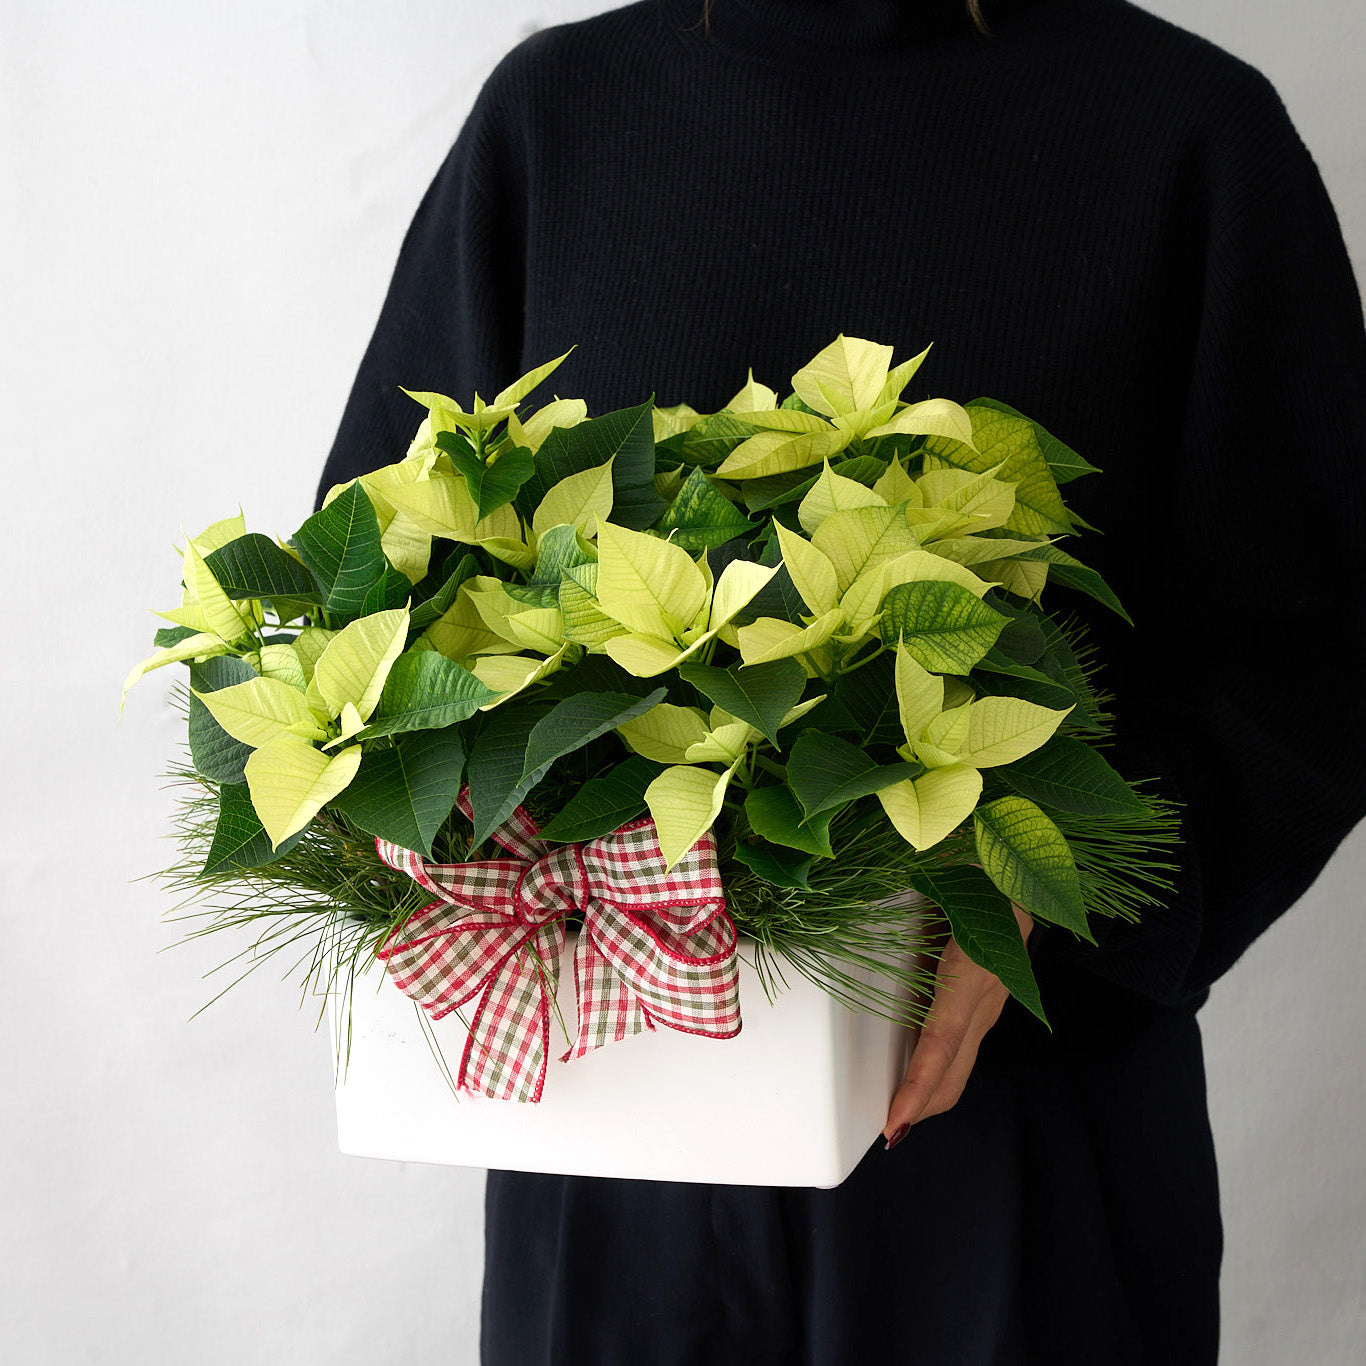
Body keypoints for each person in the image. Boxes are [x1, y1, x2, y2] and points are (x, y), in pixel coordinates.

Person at [313, 1, 1366, 1360]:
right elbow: (378, 597)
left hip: (1021, 1121)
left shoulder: (1186, 133)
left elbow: (1309, 656)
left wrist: (1050, 899)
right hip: (616, 1137)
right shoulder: (558, 117)